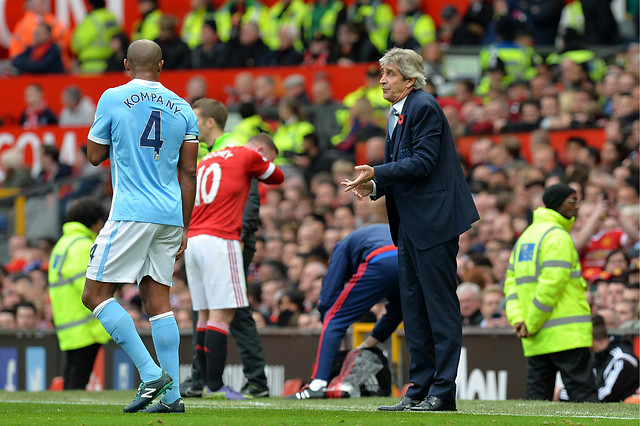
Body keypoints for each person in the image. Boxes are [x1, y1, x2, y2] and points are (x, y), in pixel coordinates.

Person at [342, 48, 479, 412]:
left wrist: (379, 173)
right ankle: (419, 388)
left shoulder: (423, 106)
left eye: (389, 74)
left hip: (433, 222)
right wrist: (374, 186)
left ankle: (442, 391)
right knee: (415, 308)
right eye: (381, 73)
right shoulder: (398, 110)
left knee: (439, 308)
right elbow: (404, 165)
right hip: (411, 223)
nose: (382, 80)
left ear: (410, 79)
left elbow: (423, 161)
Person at [80, 39, 199, 414]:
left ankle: (150, 374)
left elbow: (95, 156)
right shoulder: (184, 108)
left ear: (126, 63)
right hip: (169, 215)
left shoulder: (113, 97)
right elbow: (190, 172)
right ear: (161, 65)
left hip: (131, 212)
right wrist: (184, 226)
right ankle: (172, 396)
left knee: (95, 295)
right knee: (157, 301)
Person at [181, 99, 270, 399]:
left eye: (195, 118)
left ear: (209, 122)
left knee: (232, 312)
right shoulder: (202, 152)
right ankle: (202, 379)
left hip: (229, 241)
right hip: (210, 239)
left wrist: (238, 238)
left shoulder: (231, 149)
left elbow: (249, 200)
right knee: (208, 310)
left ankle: (250, 380)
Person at [504, 183, 598, 402]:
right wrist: (532, 323)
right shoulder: (558, 236)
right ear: (558, 204)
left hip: (535, 338)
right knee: (584, 401)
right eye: (572, 201)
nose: (577, 207)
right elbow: (551, 286)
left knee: (536, 405)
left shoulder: (524, 238)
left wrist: (519, 320)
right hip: (566, 336)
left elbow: (511, 285)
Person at [287, 223, 402, 399]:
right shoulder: (369, 237)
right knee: (399, 309)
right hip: (408, 259)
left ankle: (318, 384)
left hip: (380, 258)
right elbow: (395, 314)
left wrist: (326, 319)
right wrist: (363, 347)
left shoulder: (341, 246)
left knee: (335, 317)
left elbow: (329, 293)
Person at [48, 197, 111, 390]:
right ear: (95, 222)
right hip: (85, 326)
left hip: (69, 323)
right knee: (77, 382)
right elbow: (90, 290)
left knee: (72, 377)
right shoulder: (83, 246)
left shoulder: (63, 243)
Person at [558, 314, 640, 402]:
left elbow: (603, 396)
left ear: (588, 338)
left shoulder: (621, 360)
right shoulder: (595, 356)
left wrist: (560, 394)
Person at [71, 0, 121, 73]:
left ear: (91, 4)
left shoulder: (91, 20)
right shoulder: (112, 18)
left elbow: (76, 45)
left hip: (91, 66)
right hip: (111, 64)